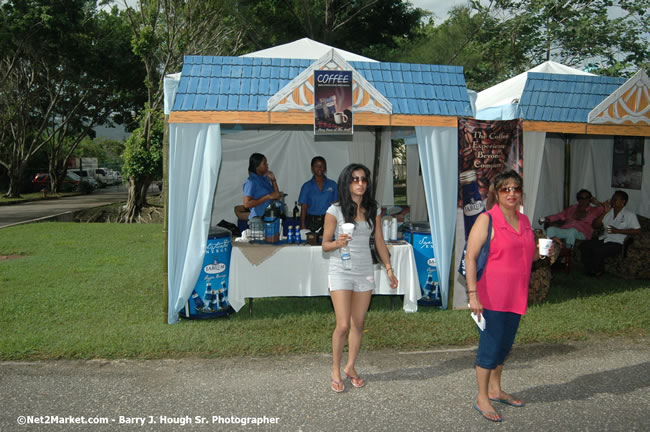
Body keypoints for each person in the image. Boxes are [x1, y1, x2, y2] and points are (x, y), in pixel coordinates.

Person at [466, 170, 538, 423]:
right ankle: (481, 397)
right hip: (491, 296)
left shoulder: (525, 221)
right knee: (490, 346)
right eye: (506, 189)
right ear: (496, 193)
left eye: (516, 189)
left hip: (516, 295)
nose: (512, 193)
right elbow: (470, 257)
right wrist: (473, 294)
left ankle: (496, 389)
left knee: (505, 346)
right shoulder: (487, 220)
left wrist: (547, 252)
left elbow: (529, 254)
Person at [322, 163, 397, 393]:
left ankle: (351, 367)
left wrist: (388, 268)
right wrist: (338, 243)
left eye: (363, 179)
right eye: (355, 179)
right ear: (347, 183)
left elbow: (380, 241)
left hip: (365, 271)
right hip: (340, 270)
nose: (360, 183)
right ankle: (335, 369)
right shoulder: (334, 210)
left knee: (359, 323)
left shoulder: (373, 209)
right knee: (343, 324)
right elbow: (325, 245)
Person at [579, 190, 640, 277]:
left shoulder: (630, 215)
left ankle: (598, 271)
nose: (612, 201)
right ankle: (589, 270)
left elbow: (637, 231)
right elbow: (595, 225)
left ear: (623, 201)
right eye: (612, 199)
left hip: (618, 243)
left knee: (598, 251)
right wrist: (604, 212)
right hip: (605, 239)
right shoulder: (609, 212)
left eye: (615, 199)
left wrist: (618, 231)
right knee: (585, 245)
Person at [539, 189, 605, 247]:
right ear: (578, 199)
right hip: (566, 229)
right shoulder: (572, 208)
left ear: (590, 199)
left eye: (586, 198)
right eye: (581, 198)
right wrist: (546, 219)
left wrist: (596, 202)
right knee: (550, 229)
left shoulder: (594, 210)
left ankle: (568, 253)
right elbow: (559, 215)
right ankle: (548, 252)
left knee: (572, 231)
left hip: (582, 233)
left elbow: (605, 209)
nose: (583, 200)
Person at [298, 156, 338, 231]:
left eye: (322, 166)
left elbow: (336, 205)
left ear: (325, 168)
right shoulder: (306, 186)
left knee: (328, 242)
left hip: (329, 220)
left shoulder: (333, 184)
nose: (319, 168)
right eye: (316, 166)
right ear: (312, 168)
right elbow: (303, 208)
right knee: (311, 242)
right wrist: (303, 225)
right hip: (311, 221)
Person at [242, 153, 281, 220]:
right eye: (264, 163)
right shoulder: (251, 182)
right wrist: (267, 197)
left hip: (271, 217)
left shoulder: (264, 179)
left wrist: (273, 181)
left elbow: (277, 195)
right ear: (257, 166)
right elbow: (247, 204)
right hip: (259, 220)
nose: (267, 165)